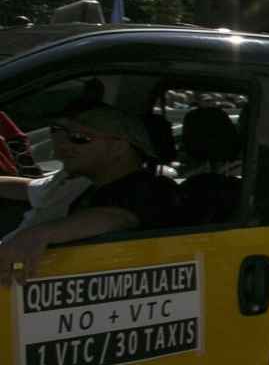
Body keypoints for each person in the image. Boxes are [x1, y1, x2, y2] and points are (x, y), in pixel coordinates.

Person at [0, 103, 177, 286]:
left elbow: (116, 217)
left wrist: (37, 235)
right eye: (58, 133)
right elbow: (31, 188)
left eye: (79, 138)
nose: (61, 146)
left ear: (118, 148)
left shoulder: (148, 190)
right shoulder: (82, 182)